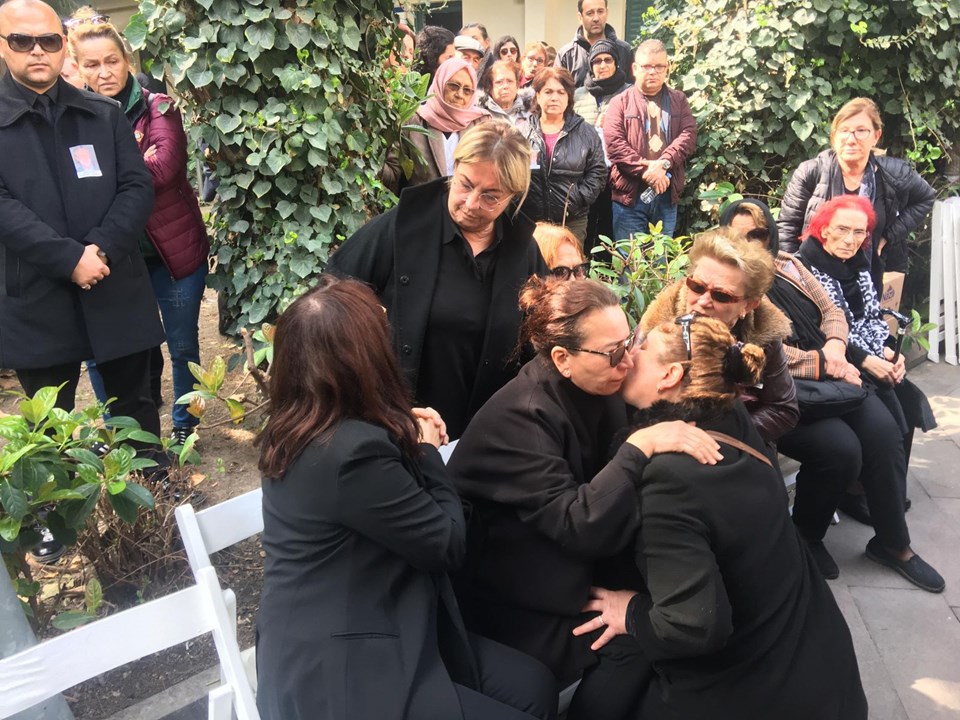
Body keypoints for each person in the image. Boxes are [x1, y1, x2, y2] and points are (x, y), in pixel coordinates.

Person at [255, 274, 558, 720]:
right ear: (362, 358)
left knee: (534, 686)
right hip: (344, 669)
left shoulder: (298, 425)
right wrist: (427, 451)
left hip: (371, 620)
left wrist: (399, 428)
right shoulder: (350, 453)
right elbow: (445, 544)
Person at [449, 276, 723, 719]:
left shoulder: (599, 384)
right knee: (636, 642)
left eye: (629, 342)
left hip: (566, 557)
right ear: (562, 358)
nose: (628, 361)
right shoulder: (523, 415)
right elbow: (579, 525)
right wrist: (639, 447)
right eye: (613, 353)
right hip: (514, 592)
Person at [574, 314, 868, 720]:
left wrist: (633, 612)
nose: (630, 354)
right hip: (823, 668)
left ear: (670, 376)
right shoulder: (730, 416)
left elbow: (693, 626)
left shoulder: (668, 479)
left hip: (755, 692)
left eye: (641, 346)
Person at [0, 1, 163, 449]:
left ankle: (153, 490)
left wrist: (101, 248)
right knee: (51, 427)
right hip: (37, 294)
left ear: (63, 45)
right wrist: (69, 259)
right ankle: (67, 496)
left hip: (113, 281)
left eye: (49, 40)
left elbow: (136, 187)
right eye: (22, 40)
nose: (38, 50)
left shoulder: (102, 113)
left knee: (137, 411)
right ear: (3, 46)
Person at [329, 121, 546, 439]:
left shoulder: (522, 249)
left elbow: (541, 334)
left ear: (513, 195)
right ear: (454, 168)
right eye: (465, 185)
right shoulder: (403, 228)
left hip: (486, 428)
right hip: (403, 422)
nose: (471, 204)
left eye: (491, 197)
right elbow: (334, 294)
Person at [68, 9, 209, 446]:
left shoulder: (159, 107)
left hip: (171, 254)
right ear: (78, 67)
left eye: (112, 61)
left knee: (182, 346)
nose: (104, 72)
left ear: (127, 60)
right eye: (92, 64)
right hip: (113, 258)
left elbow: (162, 168)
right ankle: (126, 431)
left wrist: (103, 173)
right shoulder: (73, 118)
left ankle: (186, 426)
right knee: (114, 349)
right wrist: (131, 161)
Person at [796, 196, 943, 592]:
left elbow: (872, 318)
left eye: (858, 232)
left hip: (865, 362)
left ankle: (886, 532)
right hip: (830, 371)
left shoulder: (861, 262)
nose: (850, 239)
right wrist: (866, 361)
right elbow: (817, 333)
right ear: (822, 228)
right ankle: (891, 542)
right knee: (881, 434)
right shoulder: (803, 267)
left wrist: (890, 352)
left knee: (903, 413)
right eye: (842, 229)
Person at [641, 228, 799, 444]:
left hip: (735, 444)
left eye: (721, 295)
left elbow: (783, 409)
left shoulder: (764, 332)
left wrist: (720, 439)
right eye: (697, 287)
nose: (703, 301)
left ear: (749, 305)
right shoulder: (659, 324)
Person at [778, 97, 936, 292]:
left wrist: (889, 235)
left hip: (870, 280)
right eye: (844, 130)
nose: (851, 139)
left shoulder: (894, 174)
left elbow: (926, 198)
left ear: (876, 136)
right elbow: (787, 227)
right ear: (834, 136)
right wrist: (795, 277)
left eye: (861, 131)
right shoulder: (811, 173)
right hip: (812, 281)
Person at [603, 40, 696, 240]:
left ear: (667, 68)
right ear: (635, 68)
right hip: (629, 197)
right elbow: (614, 145)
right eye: (646, 66)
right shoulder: (619, 103)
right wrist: (649, 171)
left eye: (659, 66)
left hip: (666, 194)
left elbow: (688, 136)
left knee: (661, 257)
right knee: (628, 256)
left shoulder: (679, 100)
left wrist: (664, 163)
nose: (653, 72)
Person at [521, 67, 606, 243]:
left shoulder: (586, 133)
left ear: (569, 97)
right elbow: (512, 172)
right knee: (534, 261)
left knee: (568, 261)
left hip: (572, 220)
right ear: (538, 95)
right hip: (531, 220)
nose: (554, 98)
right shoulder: (522, 133)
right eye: (548, 92)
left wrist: (576, 199)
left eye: (561, 92)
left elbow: (598, 172)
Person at [381, 58, 489, 194]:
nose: (460, 94)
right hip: (423, 205)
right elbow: (392, 176)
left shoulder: (481, 125)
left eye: (467, 90)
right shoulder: (414, 121)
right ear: (440, 83)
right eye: (454, 86)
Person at [572, 38, 631, 245]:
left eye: (608, 60)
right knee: (586, 228)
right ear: (591, 66)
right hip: (586, 173)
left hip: (617, 173)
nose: (602, 65)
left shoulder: (629, 93)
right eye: (597, 61)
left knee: (610, 229)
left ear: (616, 63)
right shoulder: (579, 95)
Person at [555, 0, 633, 88]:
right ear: (580, 17)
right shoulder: (566, 55)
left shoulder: (624, 51)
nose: (596, 18)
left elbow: (633, 90)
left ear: (607, 13)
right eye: (590, 13)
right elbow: (558, 90)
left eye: (600, 11)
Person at [476, 59, 531, 133]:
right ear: (490, 87)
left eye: (510, 81)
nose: (505, 86)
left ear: (517, 85)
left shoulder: (530, 111)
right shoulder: (479, 115)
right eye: (499, 82)